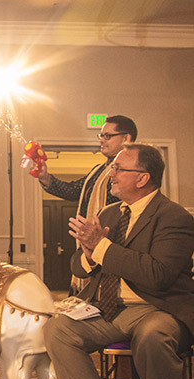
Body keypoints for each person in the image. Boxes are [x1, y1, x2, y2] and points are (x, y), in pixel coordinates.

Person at [44, 143, 194, 379]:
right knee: (57, 329)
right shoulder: (110, 214)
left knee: (154, 337)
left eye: (117, 168)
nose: (110, 174)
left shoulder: (174, 217)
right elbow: (79, 266)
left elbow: (158, 275)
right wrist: (87, 253)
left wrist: (102, 247)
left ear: (143, 178)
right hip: (110, 309)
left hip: (159, 309)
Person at [32, 115, 137, 292]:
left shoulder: (133, 170)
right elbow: (73, 191)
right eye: (101, 136)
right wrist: (45, 178)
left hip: (115, 246)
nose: (102, 140)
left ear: (126, 138)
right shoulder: (99, 170)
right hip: (89, 245)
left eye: (107, 136)